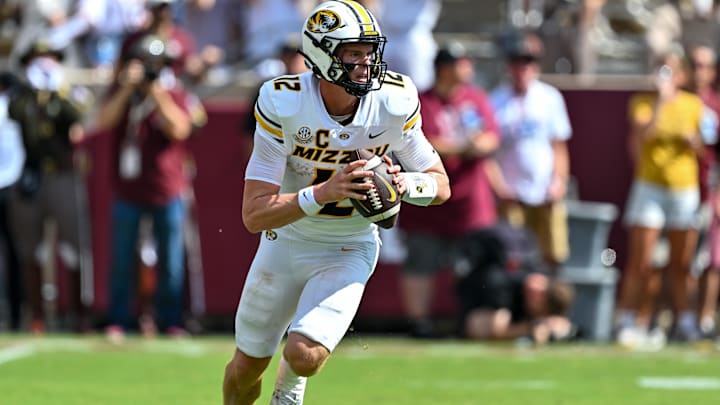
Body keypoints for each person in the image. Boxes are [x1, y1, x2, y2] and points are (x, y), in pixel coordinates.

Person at [221, 1, 451, 404]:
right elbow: (255, 214)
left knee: (304, 355)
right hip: (285, 243)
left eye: (369, 52)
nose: (366, 63)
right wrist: (323, 193)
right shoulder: (284, 103)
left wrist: (404, 182)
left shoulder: (393, 101)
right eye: (353, 54)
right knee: (244, 371)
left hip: (349, 246)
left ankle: (289, 391)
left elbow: (440, 185)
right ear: (322, 55)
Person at [95, 33, 207, 342]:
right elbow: (103, 122)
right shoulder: (122, 92)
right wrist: (126, 88)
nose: (148, 69)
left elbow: (180, 128)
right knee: (121, 258)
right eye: (143, 63)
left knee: (171, 260)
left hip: (167, 189)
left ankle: (170, 319)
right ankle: (119, 318)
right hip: (128, 189)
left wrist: (157, 92)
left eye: (154, 64)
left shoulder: (174, 93)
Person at [398, 41, 499, 338]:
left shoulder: (475, 99)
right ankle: (418, 324)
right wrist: (461, 147)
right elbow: (418, 142)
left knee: (470, 267)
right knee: (421, 262)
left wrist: (475, 146)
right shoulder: (423, 101)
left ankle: (466, 321)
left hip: (469, 202)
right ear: (443, 68)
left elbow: (491, 136)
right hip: (428, 200)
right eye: (459, 62)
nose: (467, 67)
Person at [615, 48, 706, 346]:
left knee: (682, 262)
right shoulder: (642, 103)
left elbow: (704, 148)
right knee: (642, 260)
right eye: (661, 69)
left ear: (681, 75)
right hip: (650, 186)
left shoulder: (694, 105)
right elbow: (645, 136)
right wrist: (661, 103)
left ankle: (685, 321)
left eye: (671, 69)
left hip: (683, 188)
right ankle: (630, 319)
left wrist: (695, 141)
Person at [7, 38, 93, 333]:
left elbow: (79, 116)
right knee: (33, 249)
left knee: (74, 246)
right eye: (37, 57)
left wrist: (56, 92)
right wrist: (35, 93)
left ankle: (80, 314)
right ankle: (38, 315)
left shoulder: (68, 92)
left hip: (63, 175)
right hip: (32, 175)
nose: (43, 63)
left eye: (49, 57)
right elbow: (21, 119)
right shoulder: (21, 95)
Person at [487, 30, 572, 273]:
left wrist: (559, 182)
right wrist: (500, 188)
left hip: (546, 193)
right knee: (514, 257)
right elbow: (488, 155)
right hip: (512, 195)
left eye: (528, 61)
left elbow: (559, 146)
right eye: (517, 61)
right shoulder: (495, 101)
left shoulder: (549, 97)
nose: (522, 68)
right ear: (508, 65)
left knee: (553, 254)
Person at [455, 222, 575, 344]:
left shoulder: (531, 269)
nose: (536, 288)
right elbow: (497, 328)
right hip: (471, 296)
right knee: (484, 322)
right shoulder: (504, 279)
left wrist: (552, 326)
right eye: (543, 288)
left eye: (540, 297)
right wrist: (529, 328)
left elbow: (564, 326)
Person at [0, 72, 25, 331]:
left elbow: (14, 158)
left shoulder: (15, 111)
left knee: (14, 252)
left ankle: (17, 314)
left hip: (8, 190)